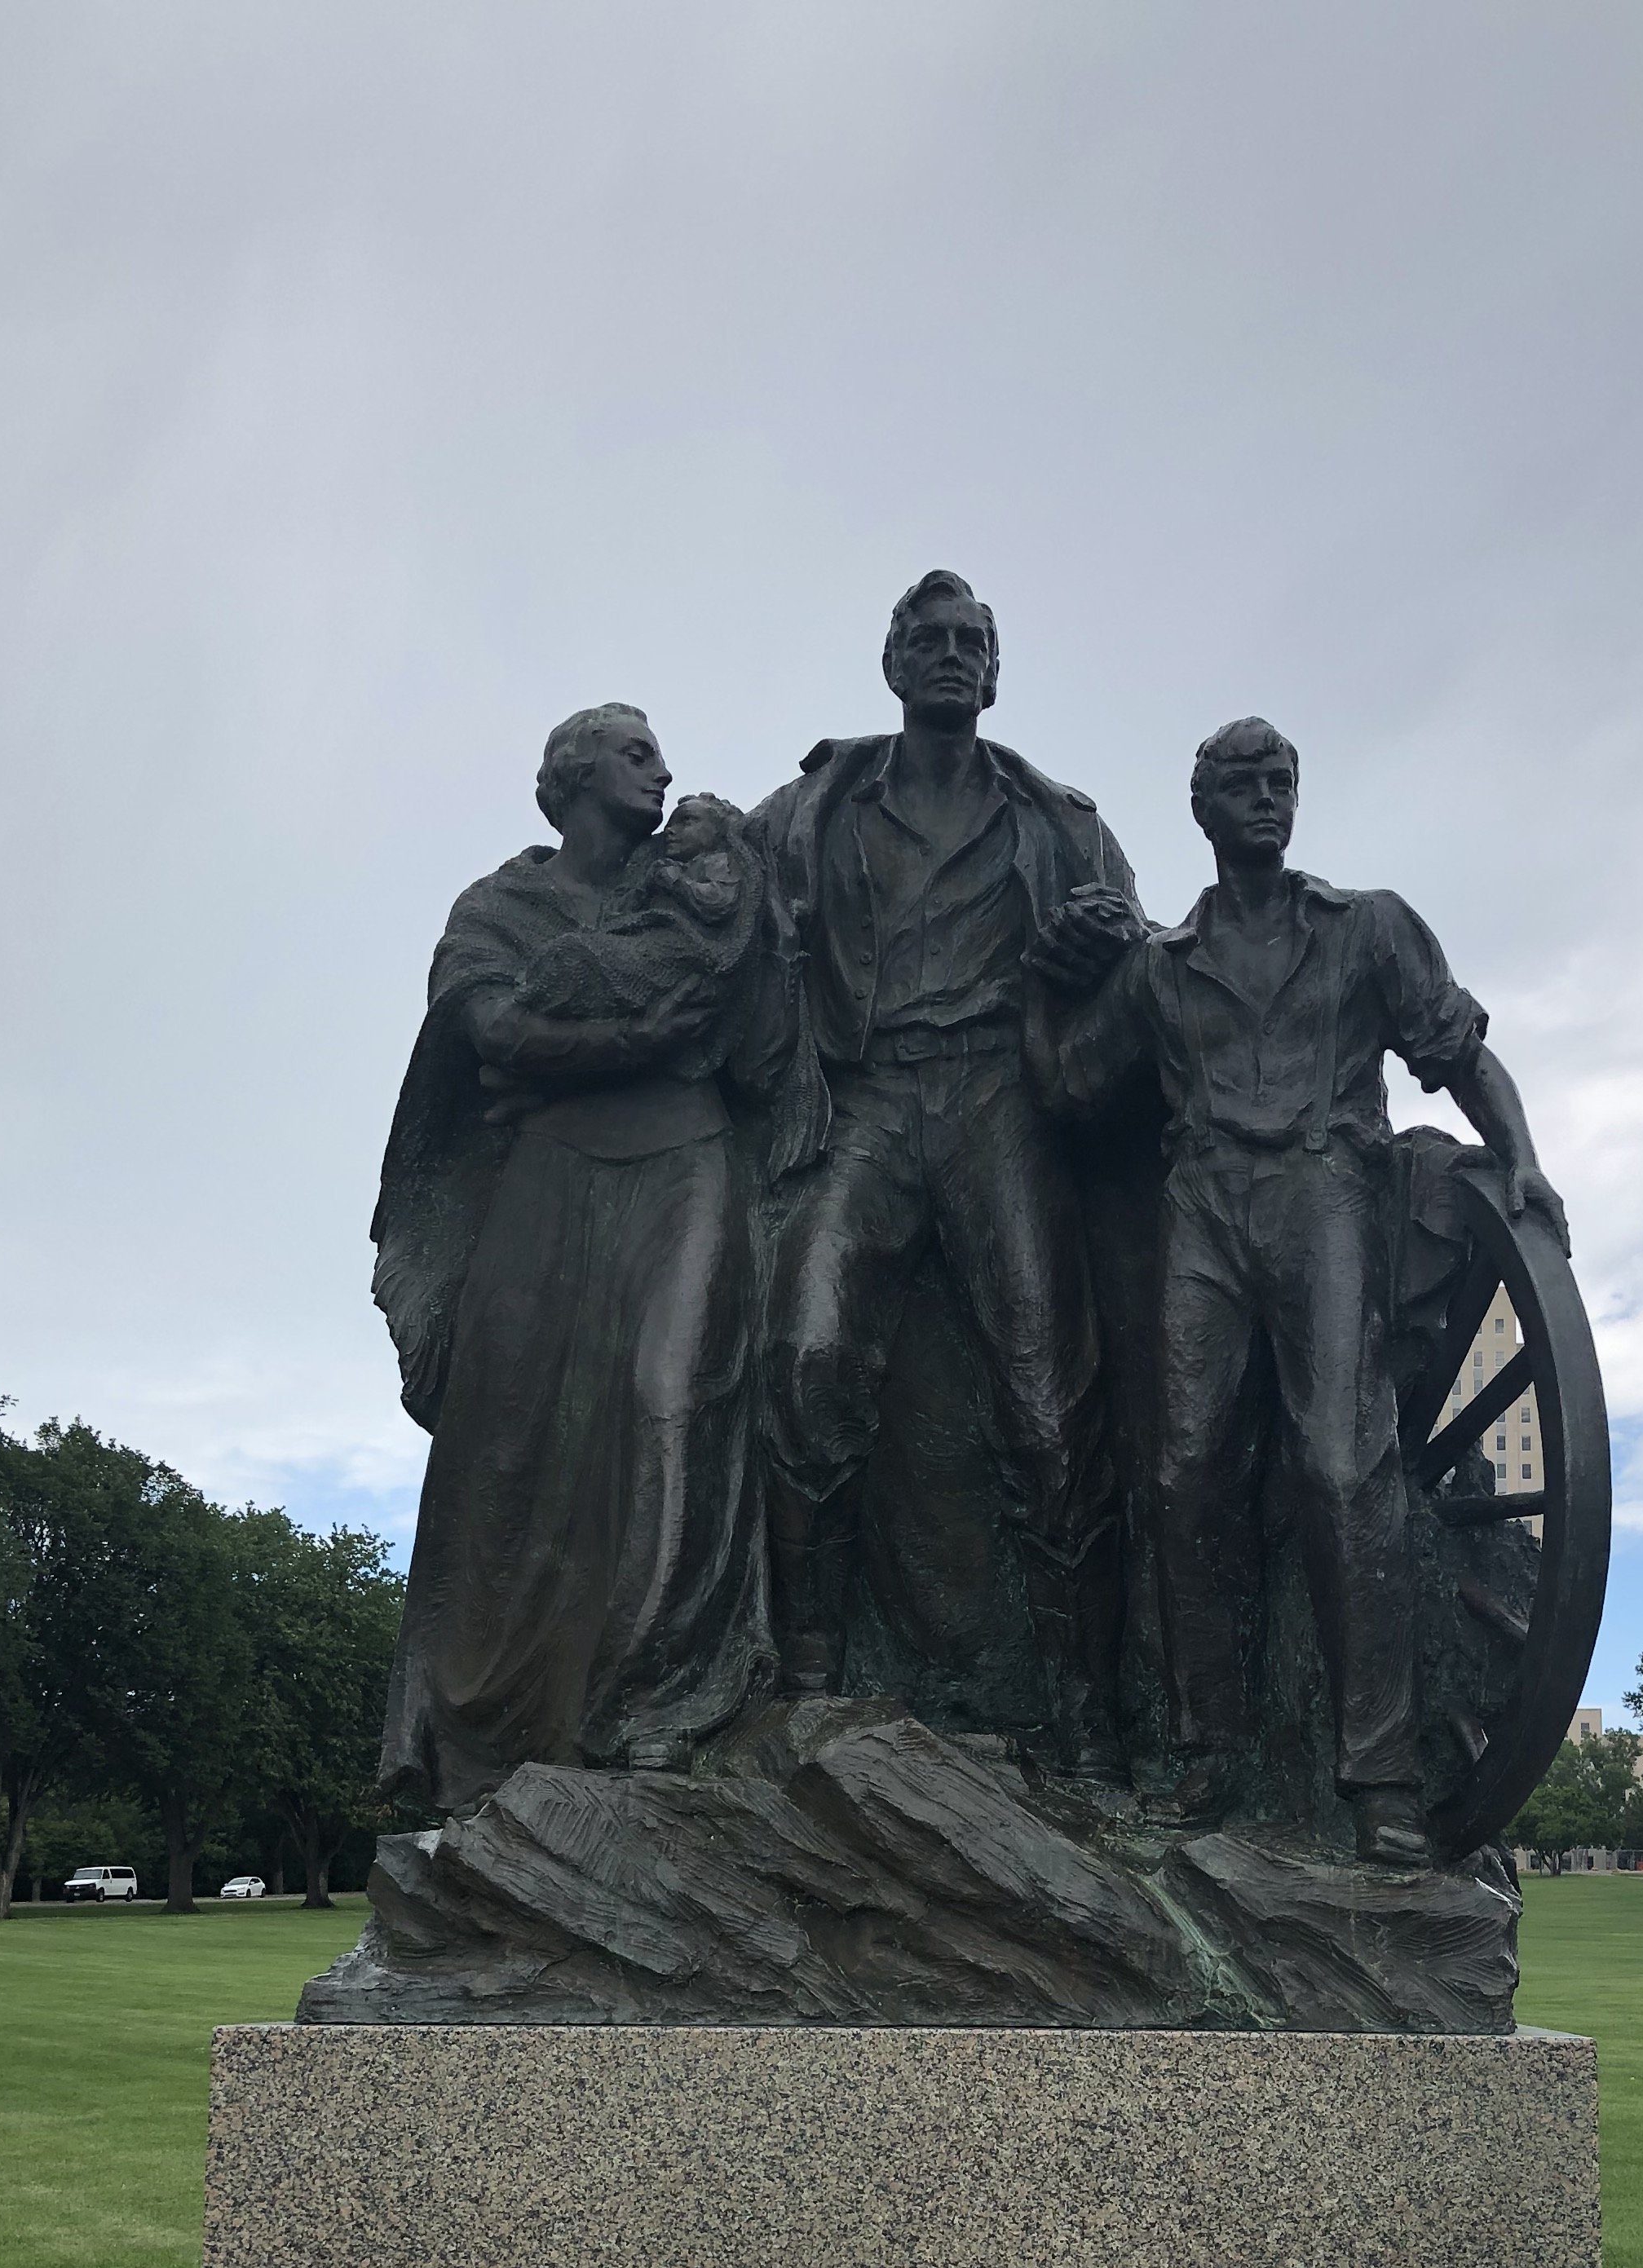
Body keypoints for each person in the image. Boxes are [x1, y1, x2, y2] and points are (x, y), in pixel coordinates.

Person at [1032, 717, 1567, 1864]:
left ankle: (1378, 1777)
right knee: (1183, 1477)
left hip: (1324, 1191)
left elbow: (1456, 1048)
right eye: (1244, 784)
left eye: (1281, 781)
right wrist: (1049, 984)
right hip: (1204, 1208)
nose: (1268, 798)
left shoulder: (1367, 927)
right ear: (1204, 812)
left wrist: (1520, 1153)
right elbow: (1073, 1090)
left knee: (1342, 1463)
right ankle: (1207, 1751)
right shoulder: (1160, 968)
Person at [373, 704, 822, 1808]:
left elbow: (746, 1040)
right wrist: (650, 1036)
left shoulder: (707, 886)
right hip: (546, 1181)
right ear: (572, 778)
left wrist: (579, 1048)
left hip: (687, 1167)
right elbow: (491, 1032)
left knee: (673, 1405)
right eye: (636, 755)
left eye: (659, 756)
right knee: (504, 1440)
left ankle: (658, 1702)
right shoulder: (499, 907)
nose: (663, 773)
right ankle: (484, 1737)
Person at [750, 571, 1142, 1776]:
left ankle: (1084, 1710)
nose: (953, 654)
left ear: (996, 673)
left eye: (974, 641)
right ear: (892, 664)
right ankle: (807, 1671)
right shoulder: (812, 808)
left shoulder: (1061, 824)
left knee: (1050, 1401)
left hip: (998, 1098)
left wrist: (1098, 950)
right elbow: (717, 912)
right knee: (807, 1353)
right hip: (866, 1099)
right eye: (930, 639)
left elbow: (1141, 973)